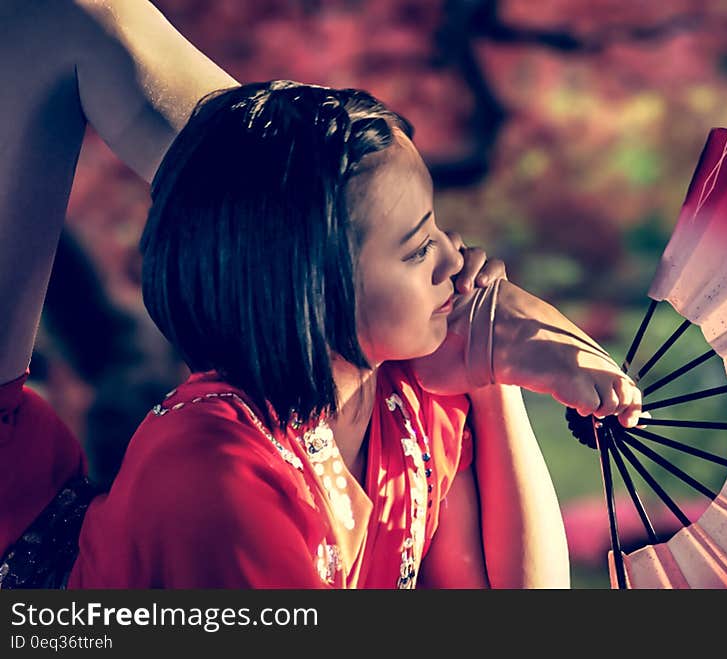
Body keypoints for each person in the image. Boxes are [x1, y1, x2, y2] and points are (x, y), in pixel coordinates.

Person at [0, 0, 642, 589]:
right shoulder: (216, 477)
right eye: (419, 249)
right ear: (317, 292)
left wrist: (492, 375)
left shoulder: (407, 394)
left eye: (437, 231)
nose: (458, 256)